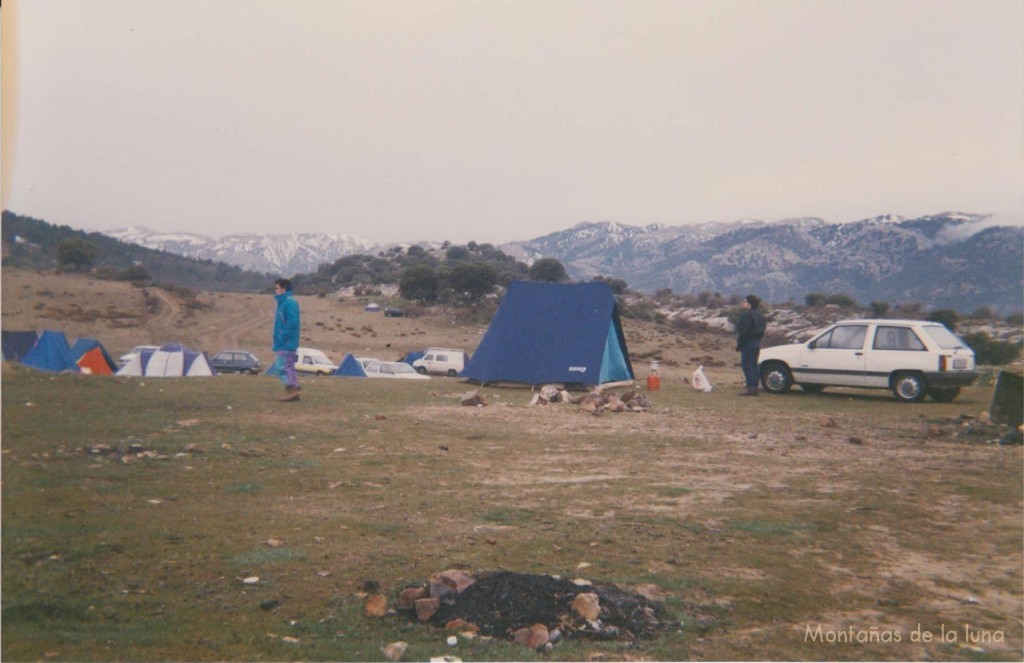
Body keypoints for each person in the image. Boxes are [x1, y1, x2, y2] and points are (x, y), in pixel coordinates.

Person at [272, 278, 301, 401]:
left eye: (277, 288)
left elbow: (292, 323)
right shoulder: (283, 303)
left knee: (281, 366)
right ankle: (294, 387)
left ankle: (292, 389)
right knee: (288, 365)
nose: (275, 291)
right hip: (285, 341)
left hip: (287, 342)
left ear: (284, 289)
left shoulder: (289, 303)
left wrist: (283, 336)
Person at [735, 294, 766, 396]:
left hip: (748, 342)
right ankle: (755, 387)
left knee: (747, 366)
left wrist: (739, 344)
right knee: (754, 365)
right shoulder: (760, 315)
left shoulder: (746, 315)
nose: (742, 303)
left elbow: (743, 331)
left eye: (744, 301)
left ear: (749, 304)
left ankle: (750, 388)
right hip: (757, 342)